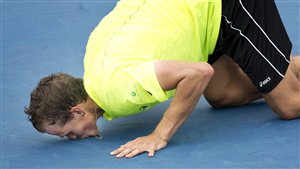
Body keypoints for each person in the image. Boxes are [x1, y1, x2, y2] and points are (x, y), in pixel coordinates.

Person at [24, 0, 300, 159]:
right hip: (198, 22)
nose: (73, 138)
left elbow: (198, 73)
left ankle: (278, 74)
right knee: (223, 96)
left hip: (223, 6)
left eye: (68, 132)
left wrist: (159, 135)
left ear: (77, 110)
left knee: (288, 105)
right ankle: (280, 68)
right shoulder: (94, 69)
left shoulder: (118, 89)